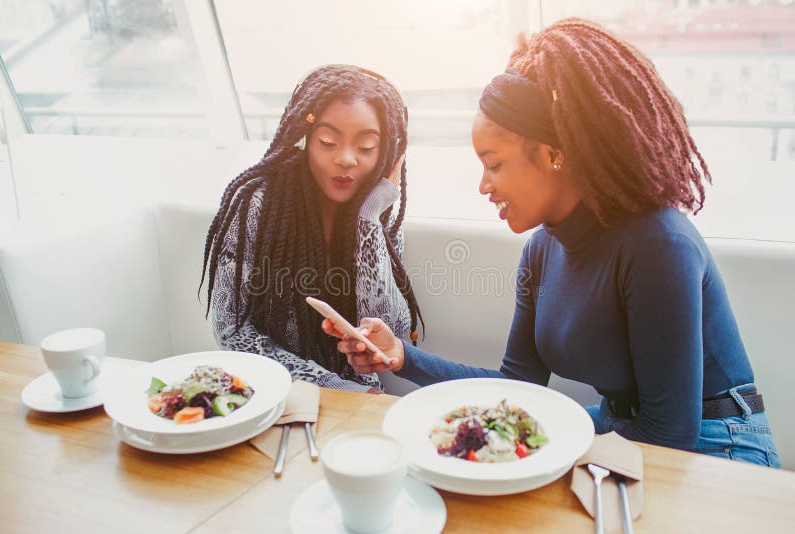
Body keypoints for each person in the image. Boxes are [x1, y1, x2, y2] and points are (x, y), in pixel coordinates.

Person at [323, 20, 779, 467]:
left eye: (494, 163)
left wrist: (538, 444)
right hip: (625, 430)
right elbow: (519, 383)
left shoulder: (658, 244)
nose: (484, 186)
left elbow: (669, 433)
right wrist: (401, 356)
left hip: (717, 443)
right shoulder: (541, 250)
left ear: (553, 155)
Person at [201, 64, 423, 394]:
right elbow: (230, 328)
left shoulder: (380, 211)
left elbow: (390, 331)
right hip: (275, 392)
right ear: (305, 138)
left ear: (388, 152)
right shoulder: (259, 205)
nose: (346, 159)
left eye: (365, 148)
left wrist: (369, 221)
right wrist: (329, 384)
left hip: (359, 395)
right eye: (328, 141)